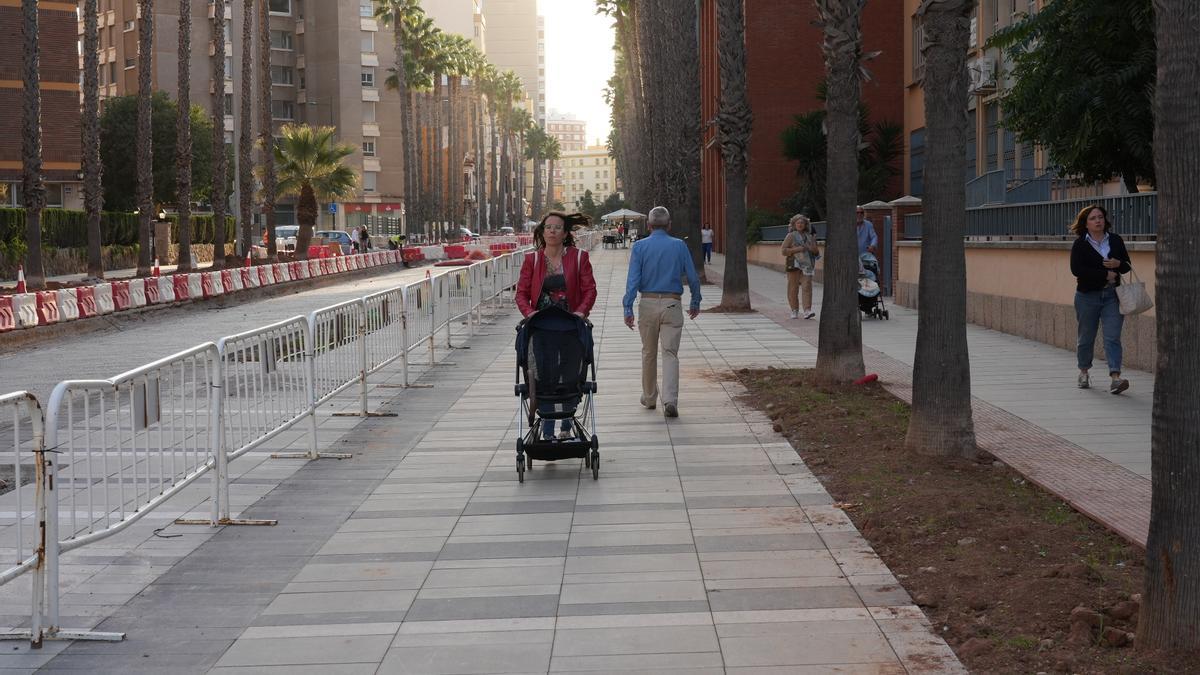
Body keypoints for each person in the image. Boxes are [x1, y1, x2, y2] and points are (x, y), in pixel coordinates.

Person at [515, 212, 598, 439]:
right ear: (542, 231)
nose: (552, 231)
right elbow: (521, 293)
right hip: (541, 327)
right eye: (548, 227)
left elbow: (590, 289)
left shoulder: (579, 257)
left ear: (565, 233)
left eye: (557, 227)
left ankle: (566, 424)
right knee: (545, 374)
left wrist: (581, 313)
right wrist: (530, 314)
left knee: (569, 373)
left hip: (570, 325)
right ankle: (548, 427)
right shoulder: (532, 260)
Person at [623, 206, 702, 418]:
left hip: (648, 303)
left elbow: (633, 280)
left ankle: (649, 397)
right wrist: (695, 300)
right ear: (669, 225)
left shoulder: (639, 247)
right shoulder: (679, 245)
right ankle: (670, 400)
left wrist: (628, 306)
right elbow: (693, 277)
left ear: (648, 226)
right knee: (670, 353)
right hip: (672, 303)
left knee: (648, 353)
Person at [1069, 204, 1131, 394]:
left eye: (1100, 217)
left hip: (1112, 295)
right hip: (1087, 296)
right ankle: (1084, 371)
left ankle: (1115, 378)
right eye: (1093, 218)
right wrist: (1104, 275)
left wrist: (1118, 263)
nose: (1098, 221)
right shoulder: (1080, 244)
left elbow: (1127, 266)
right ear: (1085, 224)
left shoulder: (1115, 240)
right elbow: (1077, 270)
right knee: (1086, 337)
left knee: (1112, 337)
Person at [781, 214, 819, 319]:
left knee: (807, 287)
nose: (800, 224)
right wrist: (797, 249)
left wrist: (812, 248)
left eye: (802, 223)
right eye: (798, 223)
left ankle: (807, 310)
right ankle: (794, 310)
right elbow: (783, 251)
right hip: (794, 265)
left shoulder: (810, 236)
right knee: (793, 288)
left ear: (806, 224)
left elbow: (816, 252)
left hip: (807, 266)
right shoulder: (791, 236)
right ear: (794, 224)